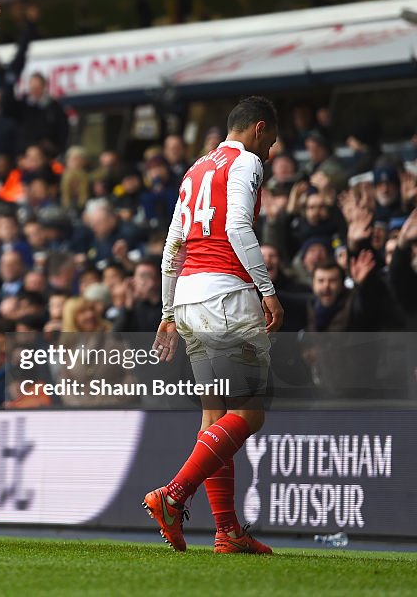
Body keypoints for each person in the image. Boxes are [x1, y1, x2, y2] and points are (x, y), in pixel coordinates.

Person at [147, 96, 284, 554]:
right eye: (273, 140)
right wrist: (266, 288)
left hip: (189, 297)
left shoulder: (195, 169)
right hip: (226, 296)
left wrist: (168, 312)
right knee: (249, 413)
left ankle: (227, 532)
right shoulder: (245, 164)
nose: (273, 149)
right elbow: (240, 227)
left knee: (215, 418)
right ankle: (172, 495)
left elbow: (173, 244)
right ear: (259, 129)